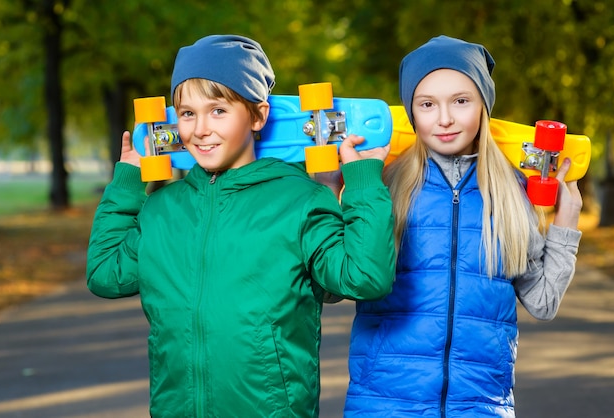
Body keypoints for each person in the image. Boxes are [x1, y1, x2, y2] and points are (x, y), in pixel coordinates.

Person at [86, 34, 396, 417]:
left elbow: (364, 277)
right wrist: (127, 182)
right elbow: (104, 273)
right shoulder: (162, 210)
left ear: (258, 116)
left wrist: (363, 181)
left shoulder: (299, 201)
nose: (200, 129)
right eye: (187, 113)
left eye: (218, 110)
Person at [342, 35, 583, 417]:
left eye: (461, 100)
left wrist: (566, 222)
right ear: (411, 112)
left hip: (481, 406)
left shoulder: (511, 194)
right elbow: (335, 284)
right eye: (427, 104)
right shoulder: (382, 186)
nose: (444, 119)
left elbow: (543, 302)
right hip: (383, 403)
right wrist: (336, 187)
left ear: (484, 106)